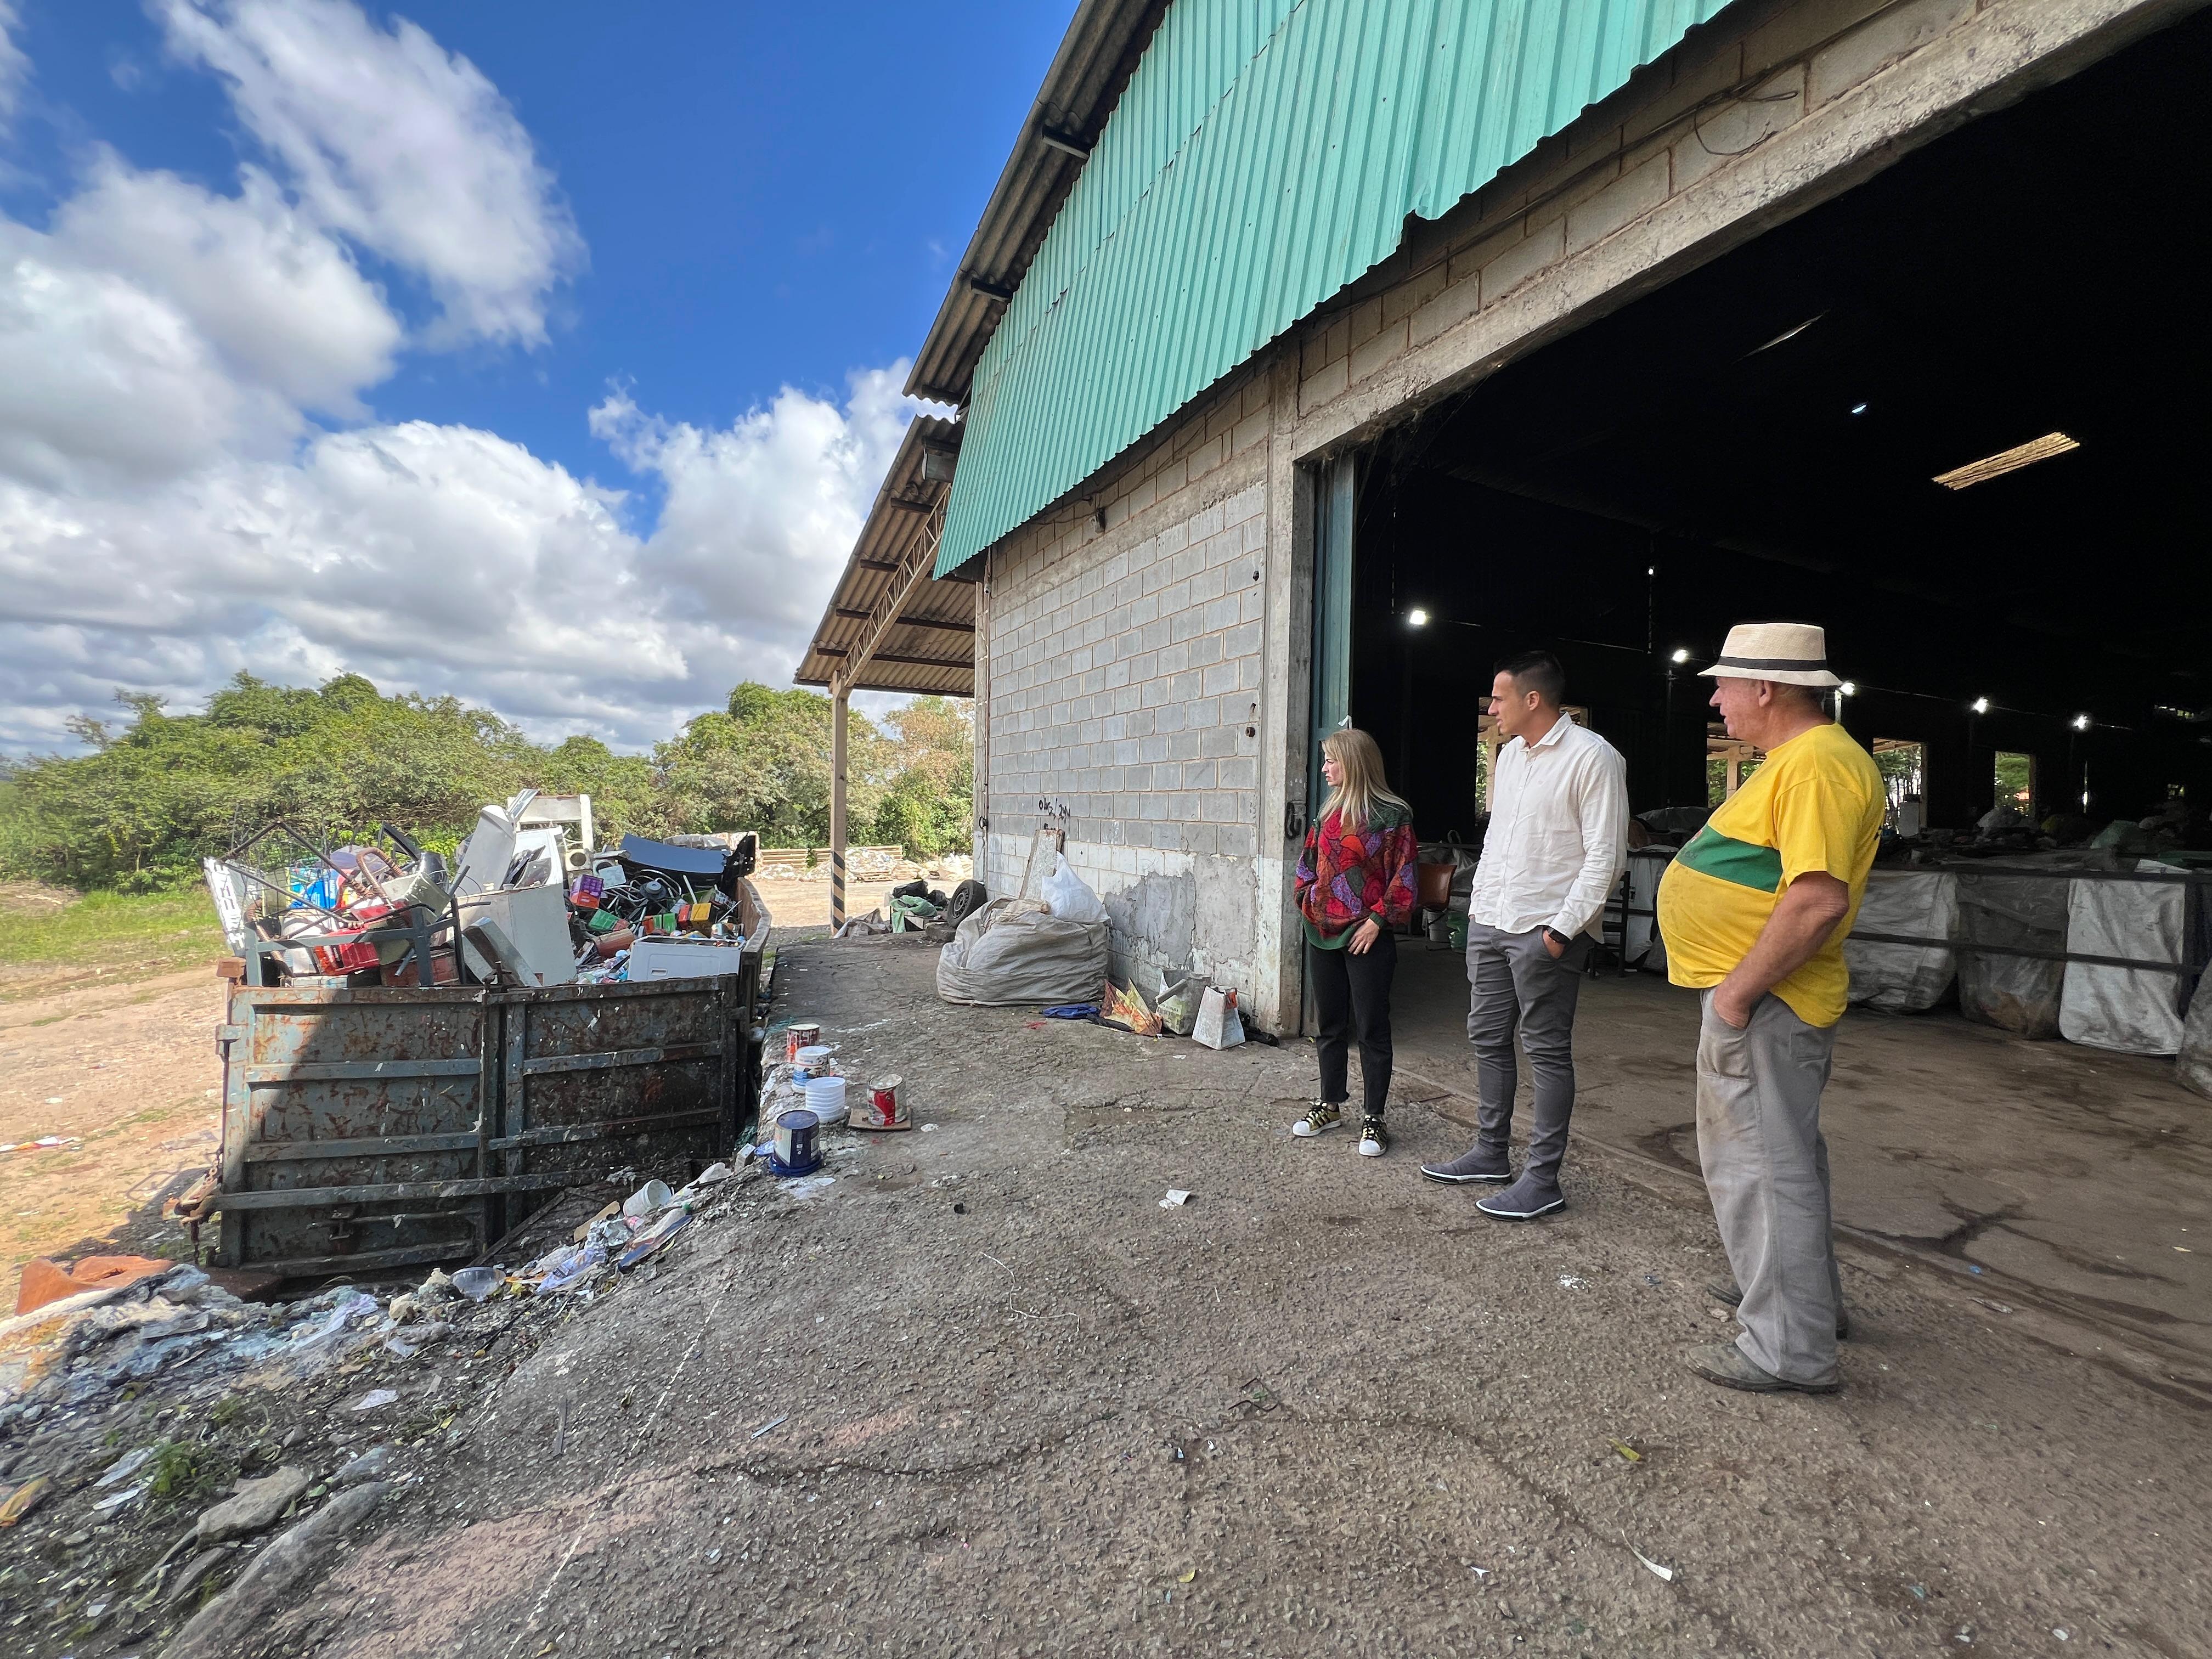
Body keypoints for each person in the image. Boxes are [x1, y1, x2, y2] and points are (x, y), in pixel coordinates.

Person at [1657, 623, 1882, 1395]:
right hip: (1767, 1001)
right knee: (1782, 1158)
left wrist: (1735, 996)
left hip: (1766, 1002)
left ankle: (1788, 1346)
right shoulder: (1803, 761)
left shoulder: (1816, 765)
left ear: (1766, 688)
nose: (1716, 700)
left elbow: (1816, 901)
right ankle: (1804, 1304)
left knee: (1762, 1167)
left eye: (1723, 685)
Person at [1421, 651, 1628, 1218]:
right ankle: (1491, 1152)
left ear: (1533, 699)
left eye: (1499, 697)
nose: (1492, 708)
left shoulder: (1594, 759)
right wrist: (1479, 911)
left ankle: (1543, 1179)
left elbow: (1606, 858)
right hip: (1493, 922)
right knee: (1487, 1037)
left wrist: (1560, 933)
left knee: (1546, 1050)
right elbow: (1499, 842)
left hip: (1544, 929)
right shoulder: (1508, 756)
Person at [1290, 727, 1418, 1159]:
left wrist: (1378, 921)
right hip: (1321, 934)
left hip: (1368, 937)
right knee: (1329, 1026)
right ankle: (1330, 1104)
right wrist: (1308, 903)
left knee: (1372, 1028)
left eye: (1332, 760)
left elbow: (1406, 877)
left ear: (1355, 763)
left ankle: (1374, 1118)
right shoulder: (1327, 815)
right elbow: (1307, 866)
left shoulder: (1392, 815)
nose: (1324, 768)